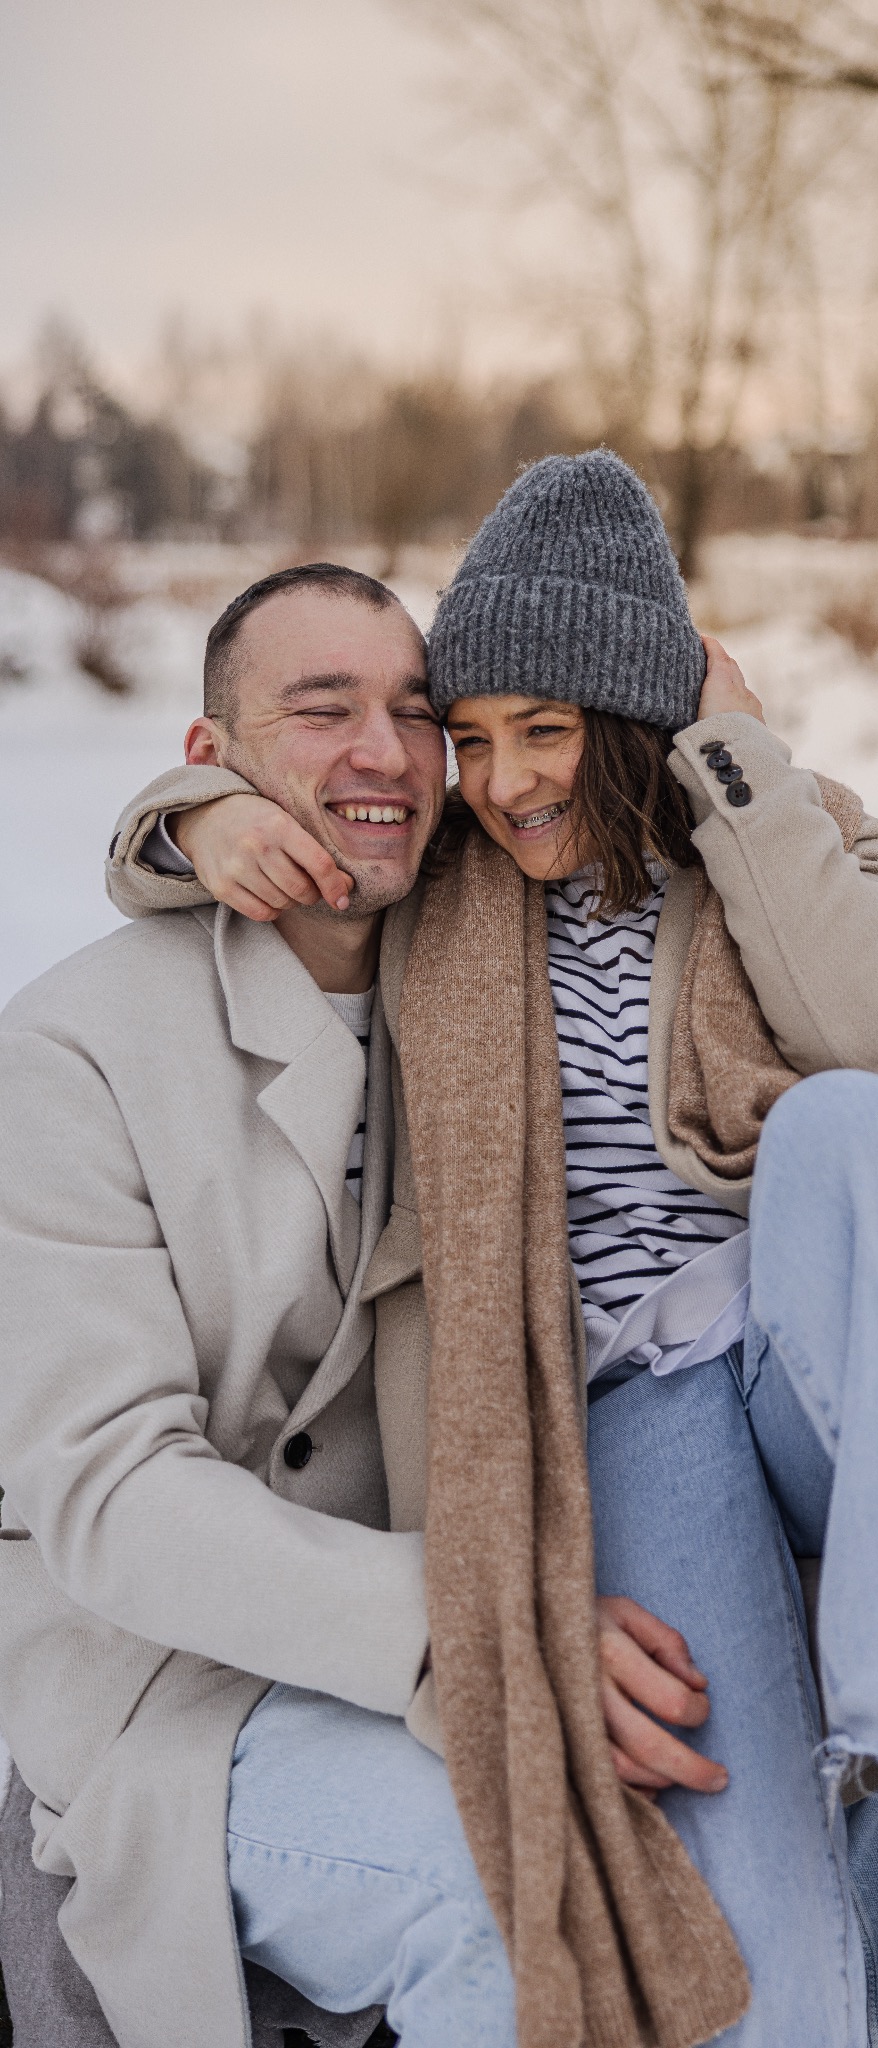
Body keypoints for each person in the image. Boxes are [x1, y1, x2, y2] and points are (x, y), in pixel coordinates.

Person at [97, 453, 878, 2047]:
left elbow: (859, 1018)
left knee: (860, 1129)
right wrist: (194, 818)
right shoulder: (440, 886)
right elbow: (249, 835)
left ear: (633, 719)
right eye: (475, 737)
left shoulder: (799, 833)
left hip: (804, 1353)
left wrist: (735, 763)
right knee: (737, 1930)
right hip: (618, 1402)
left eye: (549, 730)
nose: (507, 778)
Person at [0, 562, 718, 2048]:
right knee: (521, 1902)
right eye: (319, 711)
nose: (384, 755)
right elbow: (109, 1492)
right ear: (214, 761)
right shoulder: (70, 1052)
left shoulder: (489, 978)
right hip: (175, 1689)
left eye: (412, 713)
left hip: (476, 1611)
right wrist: (475, 1624)